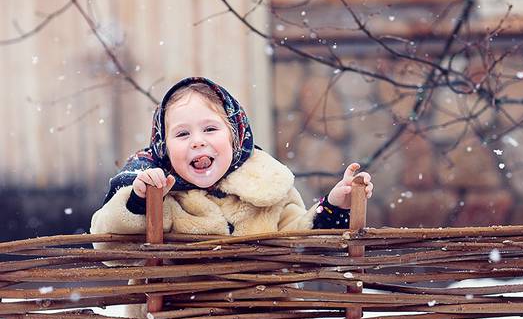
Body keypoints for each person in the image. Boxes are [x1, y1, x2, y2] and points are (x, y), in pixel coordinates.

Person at [90, 76, 373, 243]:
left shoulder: (266, 183)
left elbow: (300, 242)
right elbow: (112, 249)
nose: (197, 141)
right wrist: (141, 200)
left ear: (235, 137)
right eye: (182, 133)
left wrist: (336, 204)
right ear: (163, 146)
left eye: (210, 129)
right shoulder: (157, 188)